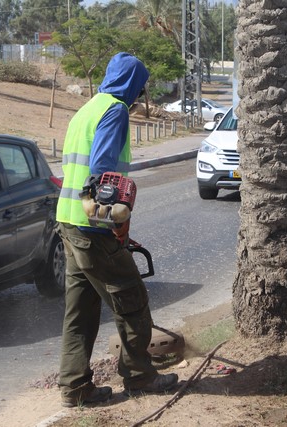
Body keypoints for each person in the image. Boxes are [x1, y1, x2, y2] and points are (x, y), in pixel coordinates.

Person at [55, 52, 178, 408]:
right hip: (92, 226)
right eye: (140, 85)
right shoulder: (115, 110)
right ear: (132, 83)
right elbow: (103, 169)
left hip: (68, 220)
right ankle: (141, 377)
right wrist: (113, 219)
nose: (141, 93)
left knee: (80, 310)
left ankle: (75, 387)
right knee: (132, 300)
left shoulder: (86, 109)